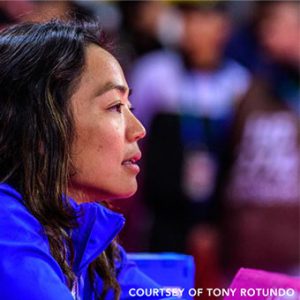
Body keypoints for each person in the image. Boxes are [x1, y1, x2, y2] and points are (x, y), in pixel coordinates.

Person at [0, 19, 175, 300]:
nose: (138, 129)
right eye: (115, 107)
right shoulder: (4, 228)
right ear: (42, 127)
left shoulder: (82, 228)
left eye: (130, 106)